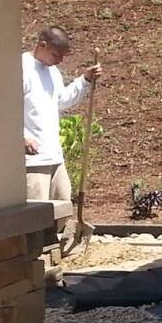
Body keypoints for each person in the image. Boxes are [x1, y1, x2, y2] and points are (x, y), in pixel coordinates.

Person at [22, 27, 101, 203]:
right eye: (56, 55)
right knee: (35, 212)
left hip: (54, 155)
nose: (60, 61)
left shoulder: (52, 71)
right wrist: (21, 137)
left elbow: (62, 100)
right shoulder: (22, 68)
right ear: (42, 45)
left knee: (63, 206)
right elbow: (5, 109)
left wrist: (85, 80)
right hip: (33, 160)